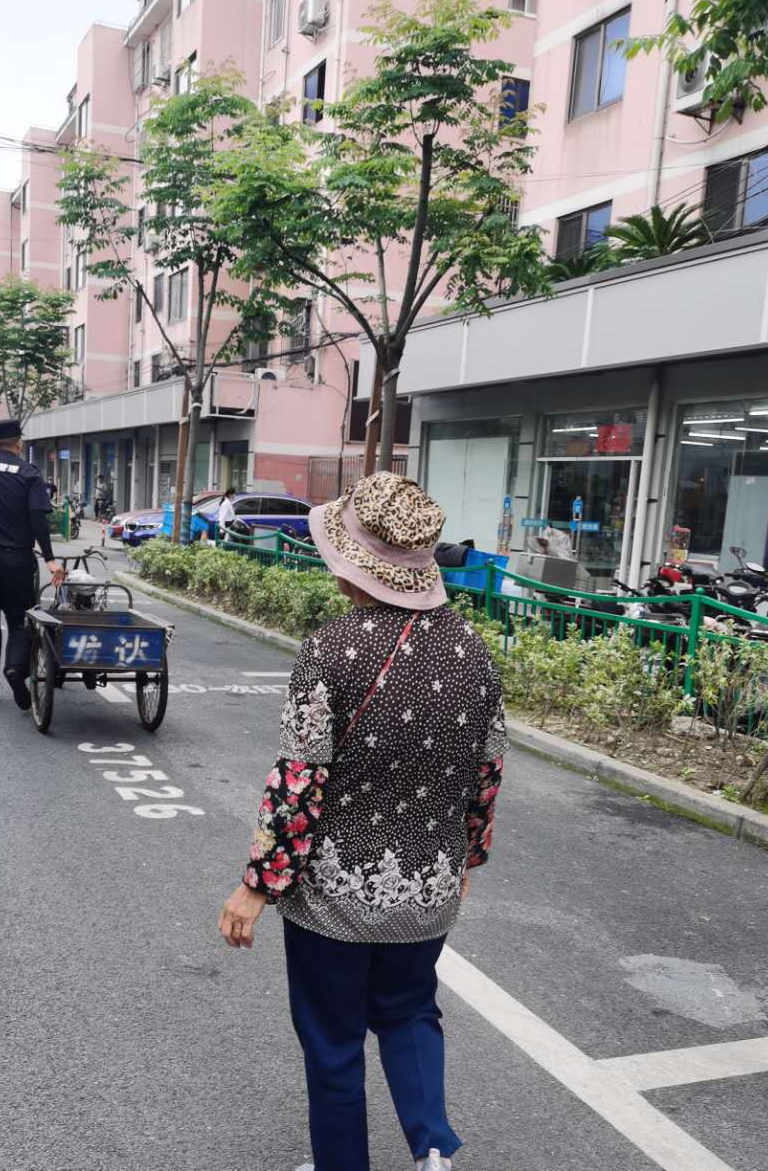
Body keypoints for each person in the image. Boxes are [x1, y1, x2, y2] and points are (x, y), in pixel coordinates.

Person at [219, 472, 506, 1171]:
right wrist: (467, 858)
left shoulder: (330, 649)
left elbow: (298, 781)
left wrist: (257, 886)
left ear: (352, 561)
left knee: (334, 1041)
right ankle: (432, 1150)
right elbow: (487, 771)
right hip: (429, 888)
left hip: (334, 896)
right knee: (411, 1011)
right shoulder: (473, 653)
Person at [0, 418, 65, 708]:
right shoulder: (28, 473)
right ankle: (15, 669)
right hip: (16, 559)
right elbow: (37, 519)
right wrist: (49, 559)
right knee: (20, 621)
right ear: (19, 443)